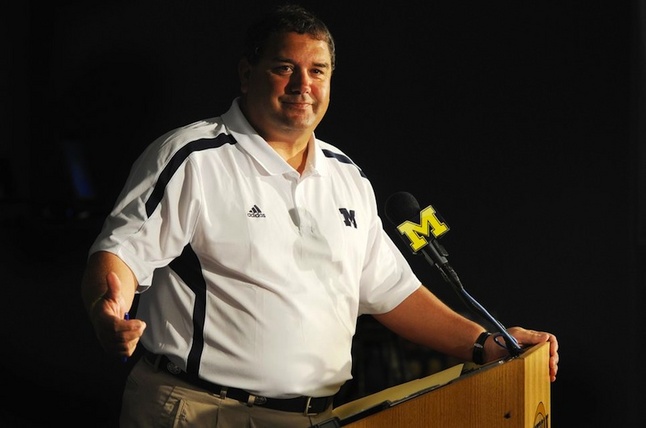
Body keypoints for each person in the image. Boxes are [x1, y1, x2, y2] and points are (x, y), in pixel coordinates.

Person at [81, 4, 559, 428]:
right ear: (247, 73)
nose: (302, 86)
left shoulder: (346, 176)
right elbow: (120, 253)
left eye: (318, 71)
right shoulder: (193, 158)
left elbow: (392, 293)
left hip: (318, 417)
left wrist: (486, 343)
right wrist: (109, 308)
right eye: (284, 67)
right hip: (202, 411)